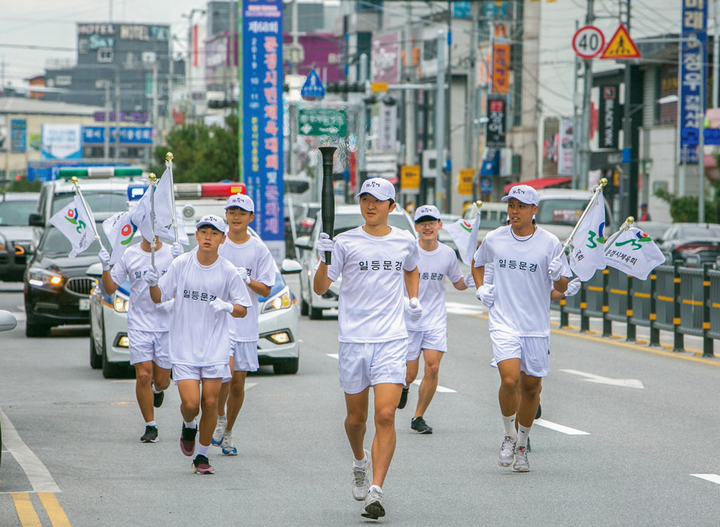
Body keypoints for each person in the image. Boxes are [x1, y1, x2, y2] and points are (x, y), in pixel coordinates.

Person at [314, 178, 420, 520]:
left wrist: (413, 297)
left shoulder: (405, 241)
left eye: (378, 201)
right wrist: (322, 257)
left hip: (391, 339)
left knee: (386, 415)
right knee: (356, 419)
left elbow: (412, 268)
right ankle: (360, 459)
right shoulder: (345, 242)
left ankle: (376, 489)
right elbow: (319, 289)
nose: (370, 206)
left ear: (392, 206)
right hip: (353, 340)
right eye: (365, 200)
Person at [472, 185, 571, 473]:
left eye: (520, 206)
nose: (514, 211)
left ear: (533, 211)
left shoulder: (551, 243)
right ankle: (508, 435)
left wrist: (557, 277)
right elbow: (477, 264)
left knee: (532, 387)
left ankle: (523, 446)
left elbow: (562, 287)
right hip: (504, 321)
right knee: (510, 380)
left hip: (536, 326)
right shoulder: (495, 238)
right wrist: (481, 289)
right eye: (511, 205)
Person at [145, 214, 252, 475]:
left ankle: (201, 456)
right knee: (192, 404)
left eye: (214, 233)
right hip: (184, 346)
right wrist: (152, 284)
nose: (208, 236)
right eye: (204, 231)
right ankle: (188, 423)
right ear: (196, 235)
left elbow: (243, 309)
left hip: (215, 346)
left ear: (222, 239)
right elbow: (159, 298)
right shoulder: (181, 264)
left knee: (212, 402)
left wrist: (228, 306)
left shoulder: (227, 270)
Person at [99, 237, 184, 443]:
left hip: (166, 325)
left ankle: (157, 390)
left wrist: (181, 262)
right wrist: (105, 267)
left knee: (162, 381)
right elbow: (110, 288)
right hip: (139, 324)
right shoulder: (131, 254)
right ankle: (150, 426)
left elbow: (187, 285)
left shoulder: (173, 254)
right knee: (143, 374)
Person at [397, 205, 473, 435]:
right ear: (416, 227)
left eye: (432, 222)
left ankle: (418, 416)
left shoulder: (448, 254)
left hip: (435, 320)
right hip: (409, 320)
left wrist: (472, 277)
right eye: (422, 223)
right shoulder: (407, 251)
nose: (427, 227)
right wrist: (406, 303)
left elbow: (458, 284)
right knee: (410, 374)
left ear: (440, 225)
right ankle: (405, 387)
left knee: (432, 367)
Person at [212, 194, 276, 456]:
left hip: (245, 325)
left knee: (238, 384)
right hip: (218, 323)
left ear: (251, 217)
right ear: (225, 215)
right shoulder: (217, 243)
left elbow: (266, 289)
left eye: (241, 212)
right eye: (231, 211)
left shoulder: (259, 249)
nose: (236, 217)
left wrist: (248, 280)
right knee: (223, 377)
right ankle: (218, 419)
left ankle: (227, 432)